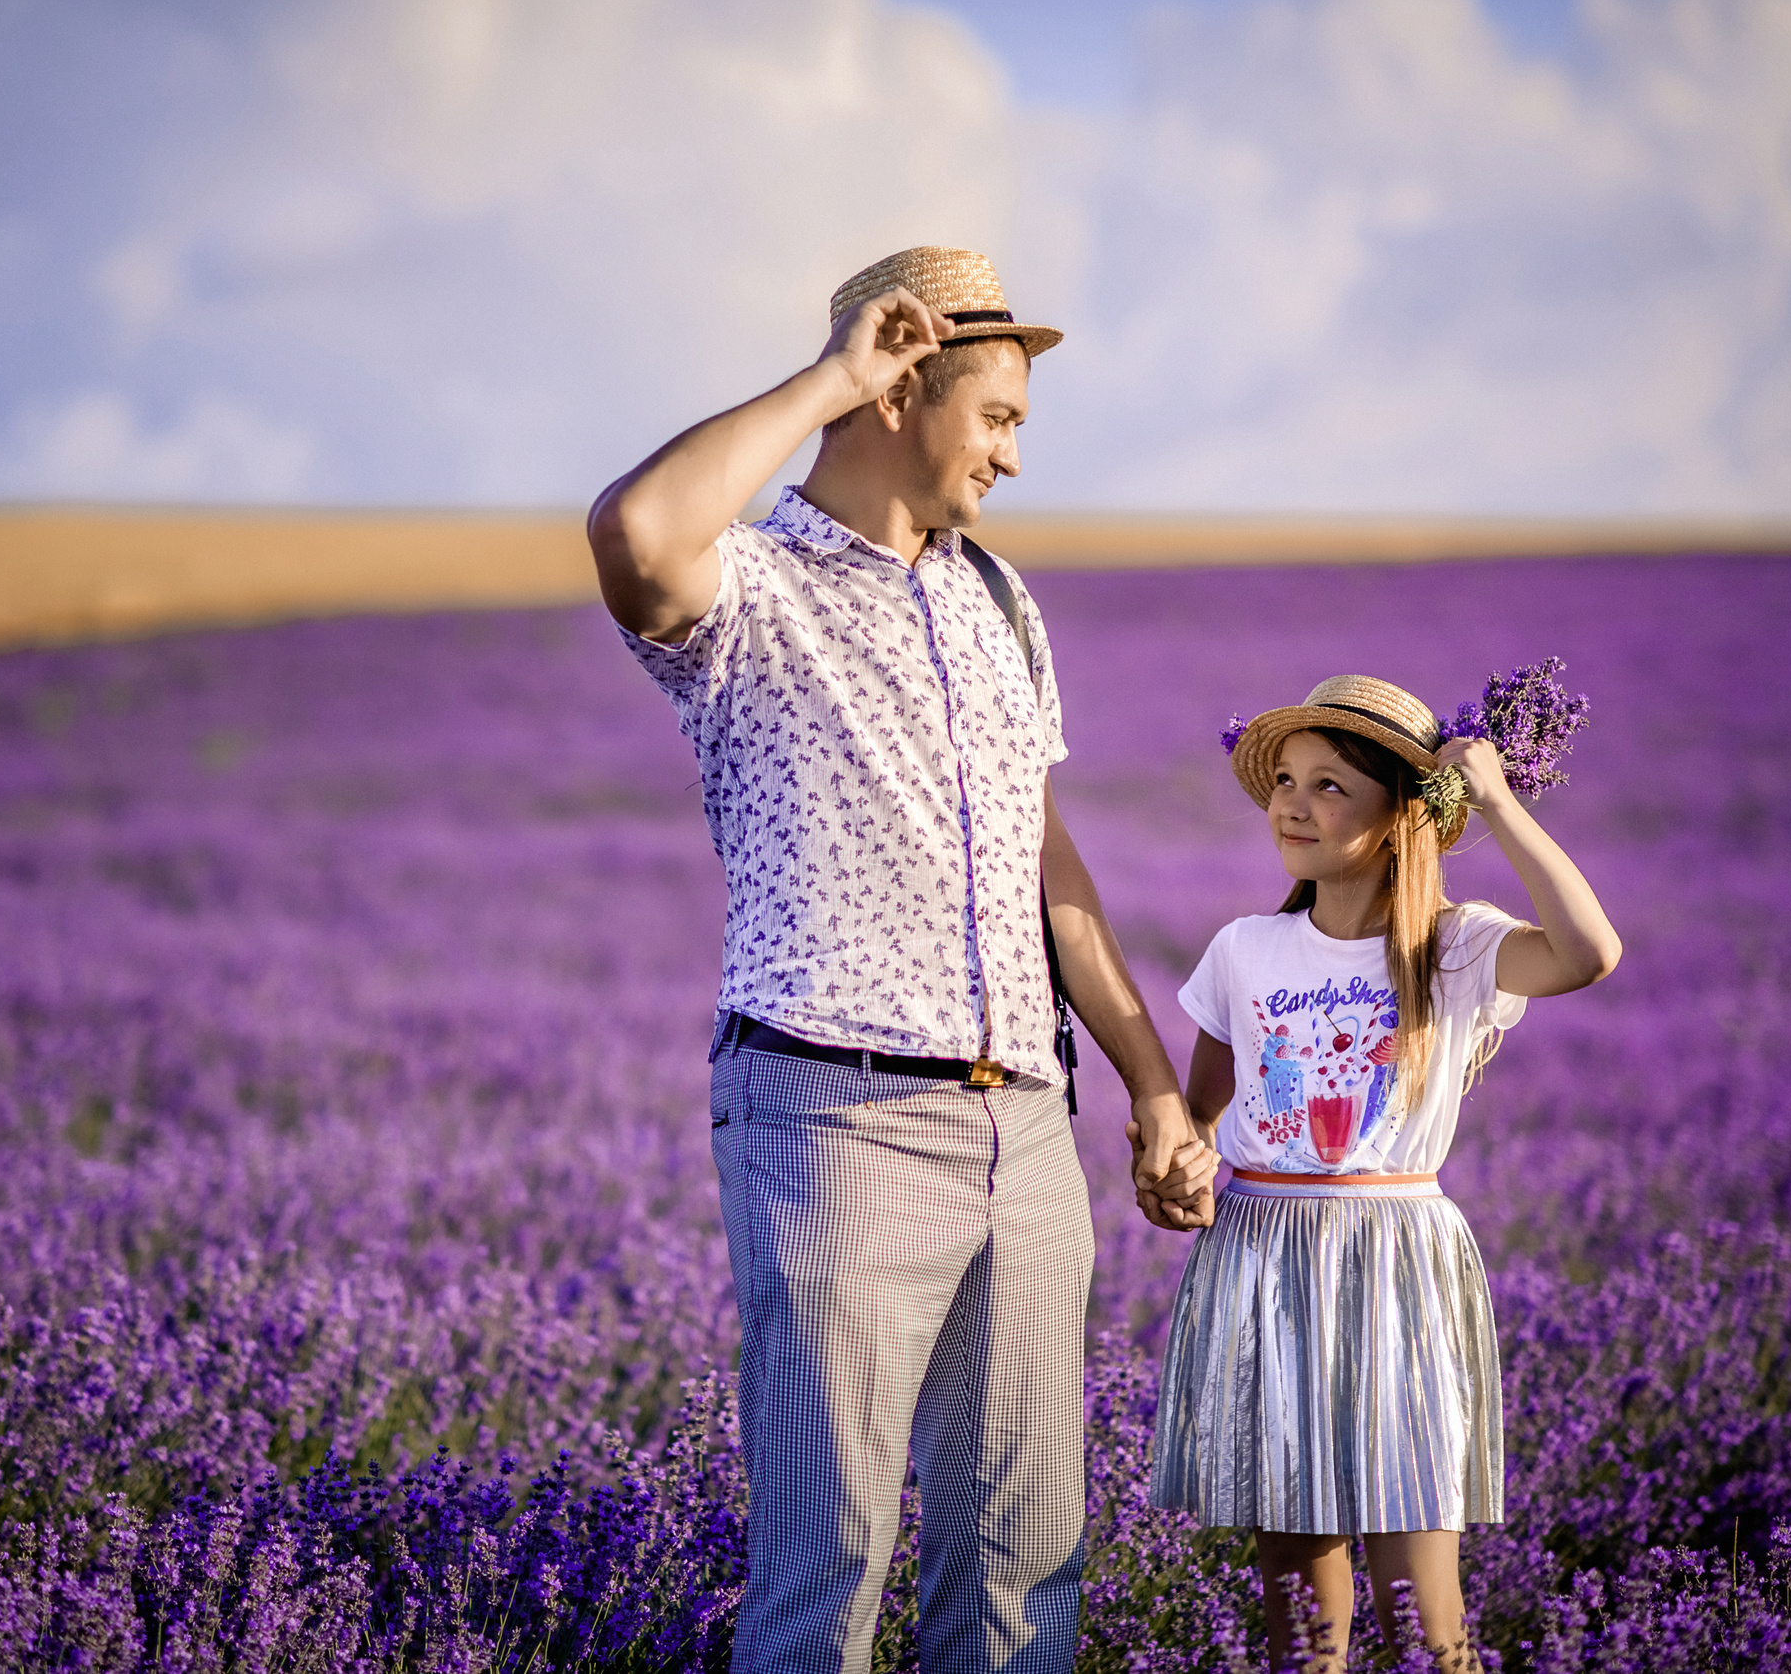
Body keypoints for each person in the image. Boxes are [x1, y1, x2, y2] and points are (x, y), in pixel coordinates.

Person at [585, 245, 1218, 1673]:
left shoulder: (1000, 600)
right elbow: (636, 529)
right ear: (897, 396)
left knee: (1023, 1567)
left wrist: (1150, 1084)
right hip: (837, 1117)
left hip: (1026, 1126)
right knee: (826, 1571)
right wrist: (827, 378)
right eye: (995, 417)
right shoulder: (748, 591)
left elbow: (1048, 860)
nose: (1012, 456)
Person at [1150, 675, 1622, 1674]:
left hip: (1397, 1259)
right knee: (1300, 1614)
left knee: (1421, 1608)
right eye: (1285, 780)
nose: (1292, 804)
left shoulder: (1453, 947)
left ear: (1404, 815)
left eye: (1329, 785)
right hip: (1264, 1256)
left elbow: (1589, 953)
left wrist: (1498, 804)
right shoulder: (1244, 950)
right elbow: (1199, 1118)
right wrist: (1176, 1171)